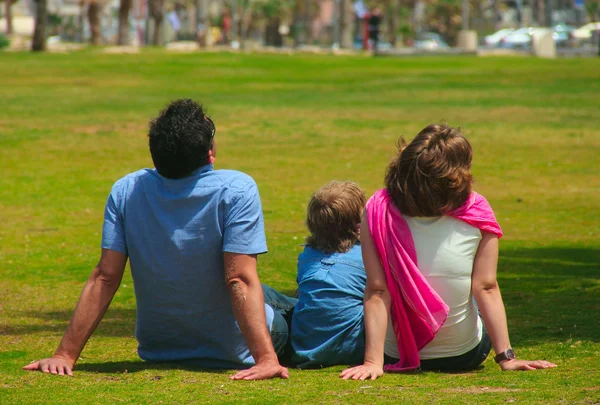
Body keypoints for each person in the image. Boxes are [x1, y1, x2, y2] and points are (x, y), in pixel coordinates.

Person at [23, 99, 297, 381]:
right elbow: (238, 279)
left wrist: (64, 355)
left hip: (161, 349)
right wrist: (265, 359)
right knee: (301, 309)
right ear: (210, 153)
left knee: (275, 296)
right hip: (233, 349)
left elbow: (105, 277)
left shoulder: (126, 190)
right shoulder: (237, 189)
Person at [341, 124, 557, 380]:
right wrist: (506, 358)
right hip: (463, 355)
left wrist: (372, 363)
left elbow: (378, 290)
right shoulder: (478, 209)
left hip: (395, 353)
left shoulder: (377, 209)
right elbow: (486, 287)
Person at [289, 181, 367, 368]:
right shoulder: (367, 257)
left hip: (305, 348)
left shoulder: (307, 256)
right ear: (358, 225)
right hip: (353, 348)